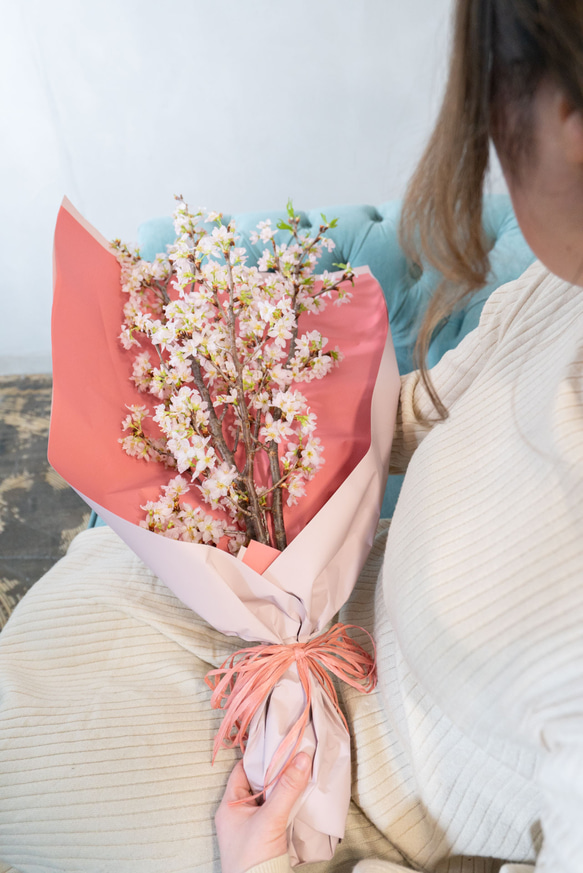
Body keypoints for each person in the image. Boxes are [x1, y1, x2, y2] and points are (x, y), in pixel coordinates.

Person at [215, 0, 583, 871]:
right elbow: (436, 407)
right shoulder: (564, 290)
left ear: (565, 125)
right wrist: (258, 441)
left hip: (348, 815)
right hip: (301, 616)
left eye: (488, 105)